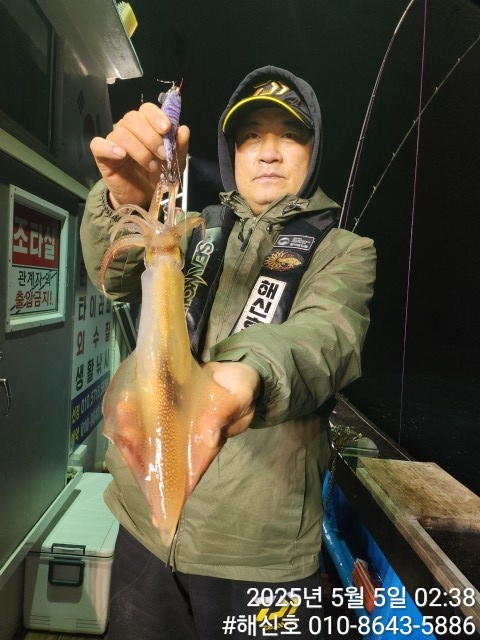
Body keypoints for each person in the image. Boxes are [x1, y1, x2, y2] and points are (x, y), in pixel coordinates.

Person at [80, 65, 376, 639]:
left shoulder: (344, 250)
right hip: (144, 536)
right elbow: (114, 278)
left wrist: (254, 372)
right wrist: (121, 203)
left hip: (258, 555)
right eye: (250, 136)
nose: (268, 152)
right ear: (232, 152)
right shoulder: (192, 230)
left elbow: (326, 335)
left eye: (289, 136)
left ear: (313, 150)